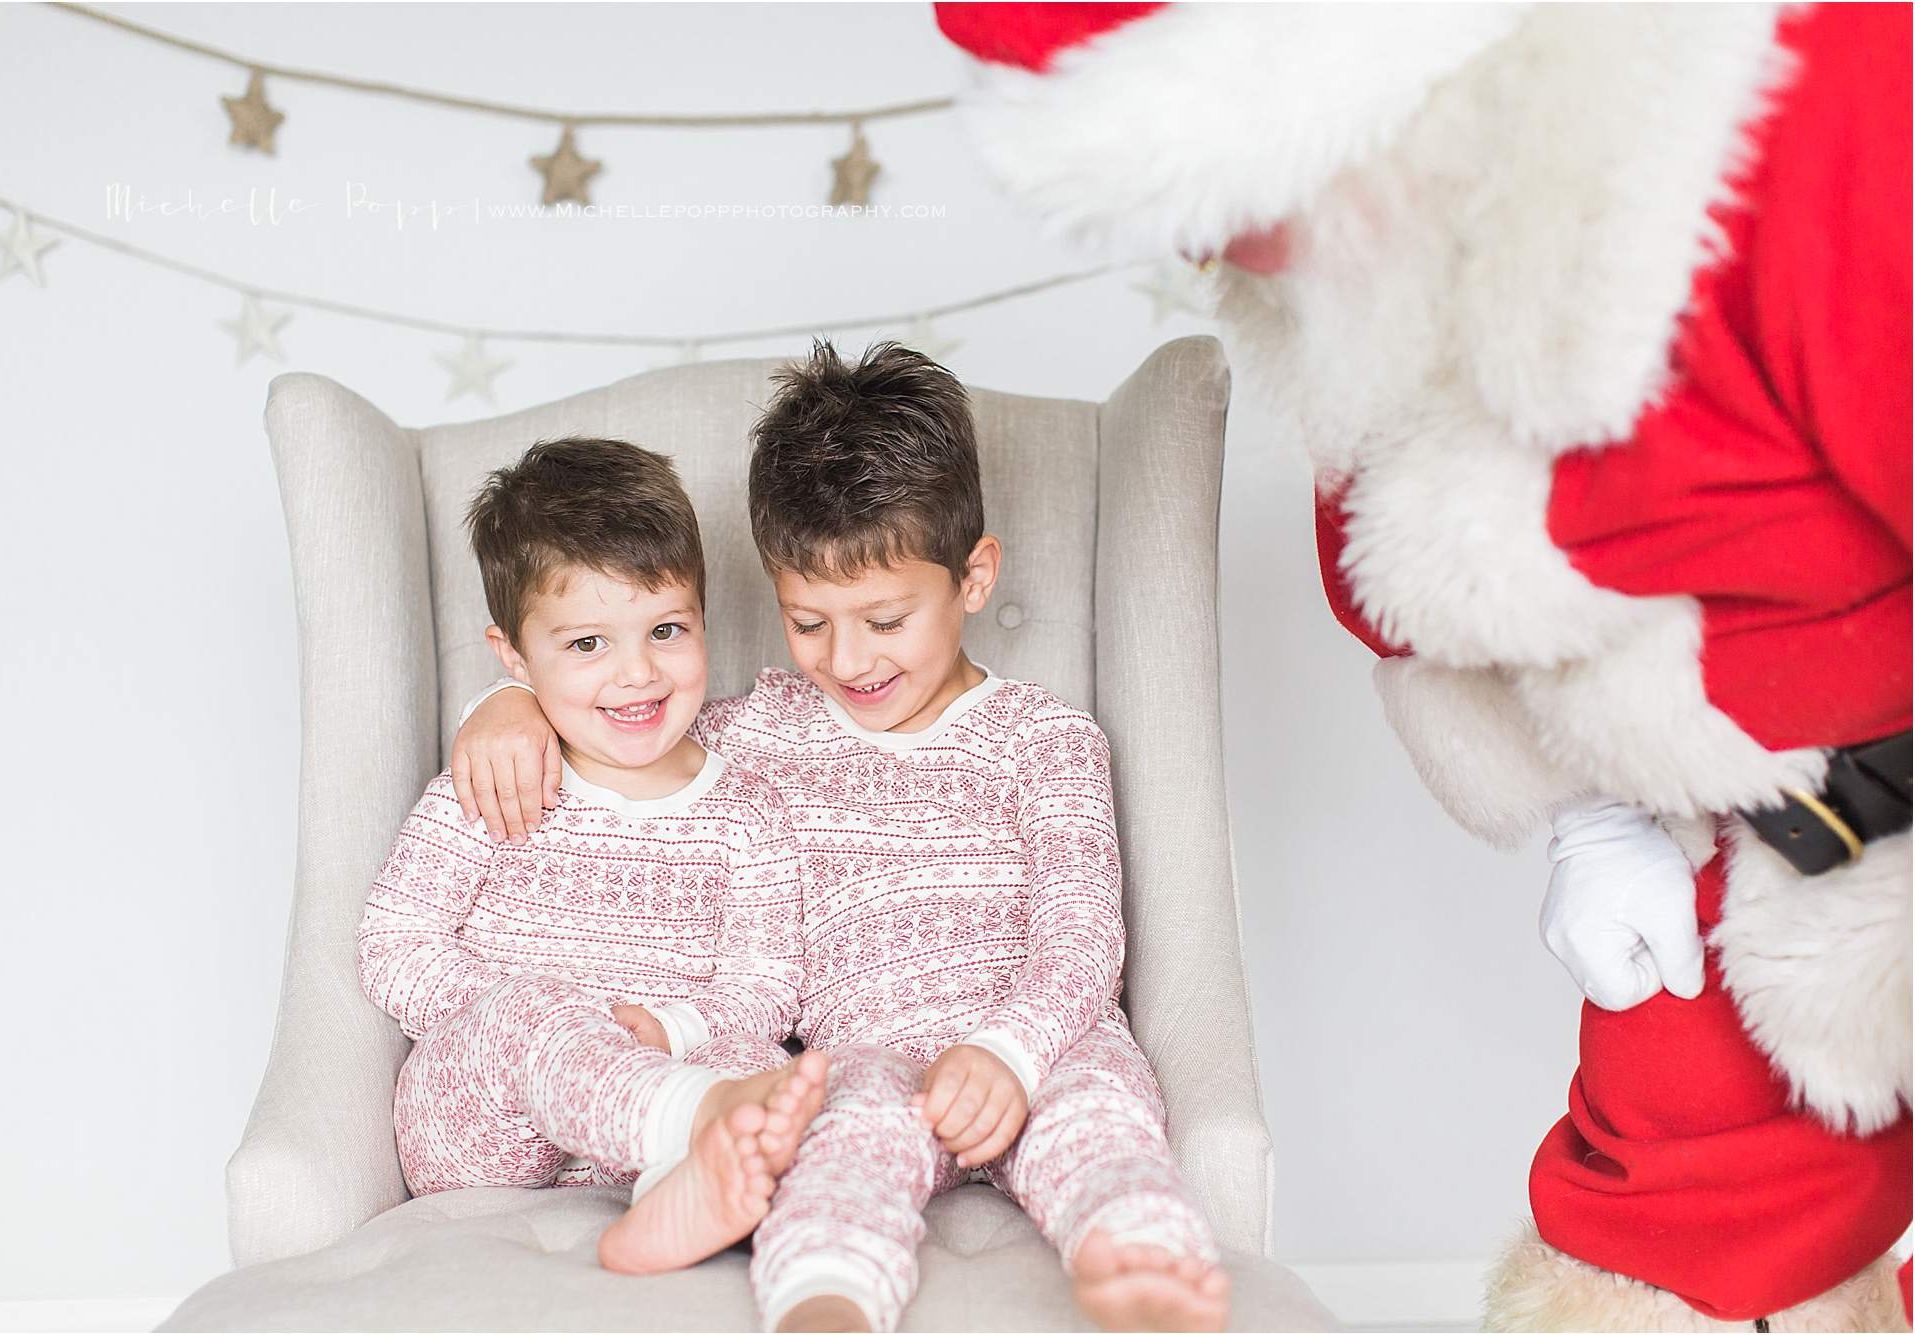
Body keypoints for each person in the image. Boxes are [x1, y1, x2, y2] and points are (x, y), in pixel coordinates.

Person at [933, 2, 1912, 1327]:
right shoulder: (1357, 295)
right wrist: (1596, 815)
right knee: (1655, 1245)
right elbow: (1402, 587)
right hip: (1750, 841)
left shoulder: (1817, 114)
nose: (1228, 245)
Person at [456, 343, 1230, 1331]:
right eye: (808, 621)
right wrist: (514, 702)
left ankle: (1141, 1262)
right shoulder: (762, 729)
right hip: (867, 1059)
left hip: (1035, 1040)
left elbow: (1082, 940)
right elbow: (622, 724)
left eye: (884, 618)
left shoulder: (1045, 739)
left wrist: (1008, 1052)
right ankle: (824, 1305)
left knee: (1101, 1118)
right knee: (834, 1146)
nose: (848, 658)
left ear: (974, 576)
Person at [359, 435, 827, 1277]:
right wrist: (542, 1021)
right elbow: (394, 940)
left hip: (662, 1088)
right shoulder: (497, 775)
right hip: (489, 1126)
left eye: (667, 628)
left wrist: (669, 1030)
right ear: (513, 656)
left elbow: (766, 982)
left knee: (765, 1064)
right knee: (529, 1012)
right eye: (587, 644)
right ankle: (690, 1127)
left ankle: (682, 1195)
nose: (638, 673)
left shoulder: (746, 810)